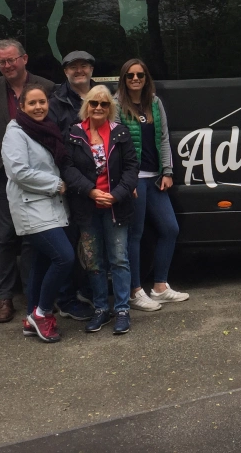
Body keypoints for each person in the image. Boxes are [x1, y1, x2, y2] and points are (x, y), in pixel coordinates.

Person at [0, 39, 54, 323]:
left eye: (12, 60)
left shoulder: (47, 86)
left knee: (34, 238)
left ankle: (32, 296)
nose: (8, 66)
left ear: (24, 59)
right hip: (1, 175)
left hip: (37, 175)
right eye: (2, 62)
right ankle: (5, 298)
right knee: (5, 237)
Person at [64, 85, 138, 334]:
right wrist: (91, 191)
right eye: (94, 103)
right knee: (94, 262)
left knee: (119, 260)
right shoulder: (74, 133)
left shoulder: (121, 133)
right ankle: (100, 309)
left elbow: (131, 168)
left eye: (104, 104)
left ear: (110, 108)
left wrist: (116, 196)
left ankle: (122, 310)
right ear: (86, 107)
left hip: (116, 208)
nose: (98, 108)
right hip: (87, 208)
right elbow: (68, 168)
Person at [2, 84, 74, 343]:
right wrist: (56, 184)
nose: (38, 107)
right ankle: (43, 313)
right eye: (31, 103)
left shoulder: (46, 130)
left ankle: (32, 317)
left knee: (43, 263)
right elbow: (18, 171)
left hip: (51, 205)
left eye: (42, 102)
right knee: (64, 258)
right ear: (21, 107)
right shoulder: (16, 133)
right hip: (31, 206)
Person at [116, 59, 188, 311]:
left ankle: (159, 287)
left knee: (170, 228)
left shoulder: (155, 103)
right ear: (123, 79)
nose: (135, 79)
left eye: (140, 75)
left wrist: (167, 171)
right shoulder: (116, 105)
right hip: (133, 181)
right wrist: (125, 181)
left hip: (155, 178)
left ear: (146, 78)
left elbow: (165, 139)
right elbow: (114, 147)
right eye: (130, 76)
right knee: (134, 236)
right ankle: (135, 291)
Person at [47, 50, 97, 322]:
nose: (79, 71)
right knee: (70, 241)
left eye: (84, 66)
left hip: (100, 182)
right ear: (65, 72)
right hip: (71, 182)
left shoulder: (103, 95)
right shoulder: (56, 102)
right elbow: (57, 144)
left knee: (91, 241)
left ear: (91, 69)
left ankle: (88, 292)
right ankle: (66, 299)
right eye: (73, 67)